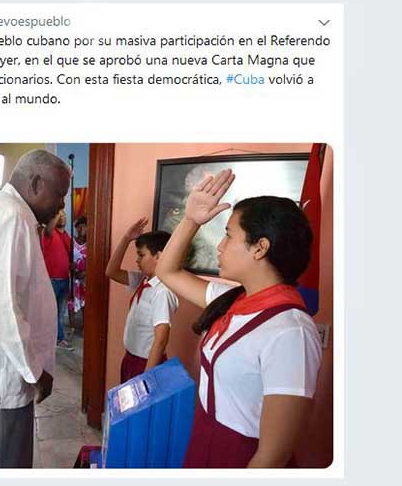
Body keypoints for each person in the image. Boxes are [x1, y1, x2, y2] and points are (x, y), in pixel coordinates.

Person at [155, 169, 322, 468]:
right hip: (204, 442)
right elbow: (166, 271)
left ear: (260, 247)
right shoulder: (234, 298)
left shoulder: (290, 332)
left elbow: (272, 456)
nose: (220, 245)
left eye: (229, 235)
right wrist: (191, 219)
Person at [0, 149, 71, 468]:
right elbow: (1, 310)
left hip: (2, 367)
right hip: (4, 374)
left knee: (1, 458)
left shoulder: (8, 212)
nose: (62, 205)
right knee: (6, 462)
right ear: (35, 183)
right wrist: (35, 370)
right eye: (59, 194)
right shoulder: (11, 218)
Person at [105, 219, 179, 383]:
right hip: (131, 358)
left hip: (146, 364)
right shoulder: (143, 281)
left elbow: (160, 340)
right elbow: (111, 271)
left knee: (141, 405)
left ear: (158, 256)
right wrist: (126, 238)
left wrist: (146, 378)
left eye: (141, 255)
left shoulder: (162, 291)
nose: (137, 260)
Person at [40, 209, 73, 350]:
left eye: (64, 214)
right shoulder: (48, 234)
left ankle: (57, 337)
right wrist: (55, 216)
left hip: (65, 279)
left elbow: (69, 254)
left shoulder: (66, 236)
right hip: (52, 279)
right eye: (59, 214)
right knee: (52, 312)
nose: (62, 216)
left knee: (60, 312)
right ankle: (57, 338)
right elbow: (47, 230)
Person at [68, 216, 88, 320]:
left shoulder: (91, 243)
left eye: (84, 227)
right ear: (76, 228)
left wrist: (85, 272)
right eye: (79, 227)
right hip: (73, 277)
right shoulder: (72, 242)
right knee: (71, 302)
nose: (81, 229)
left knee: (85, 302)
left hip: (85, 278)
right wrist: (72, 267)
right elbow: (67, 257)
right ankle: (72, 327)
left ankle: (86, 328)